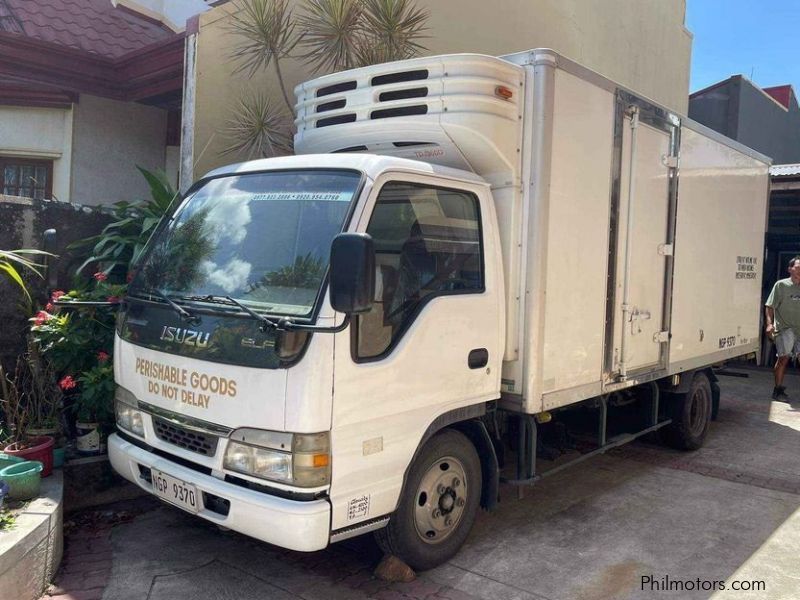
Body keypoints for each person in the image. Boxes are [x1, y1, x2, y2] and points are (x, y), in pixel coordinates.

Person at [765, 256, 800, 401]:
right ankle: (778, 390)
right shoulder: (781, 285)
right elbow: (770, 306)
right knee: (783, 359)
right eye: (798, 267)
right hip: (785, 328)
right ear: (790, 269)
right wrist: (769, 324)